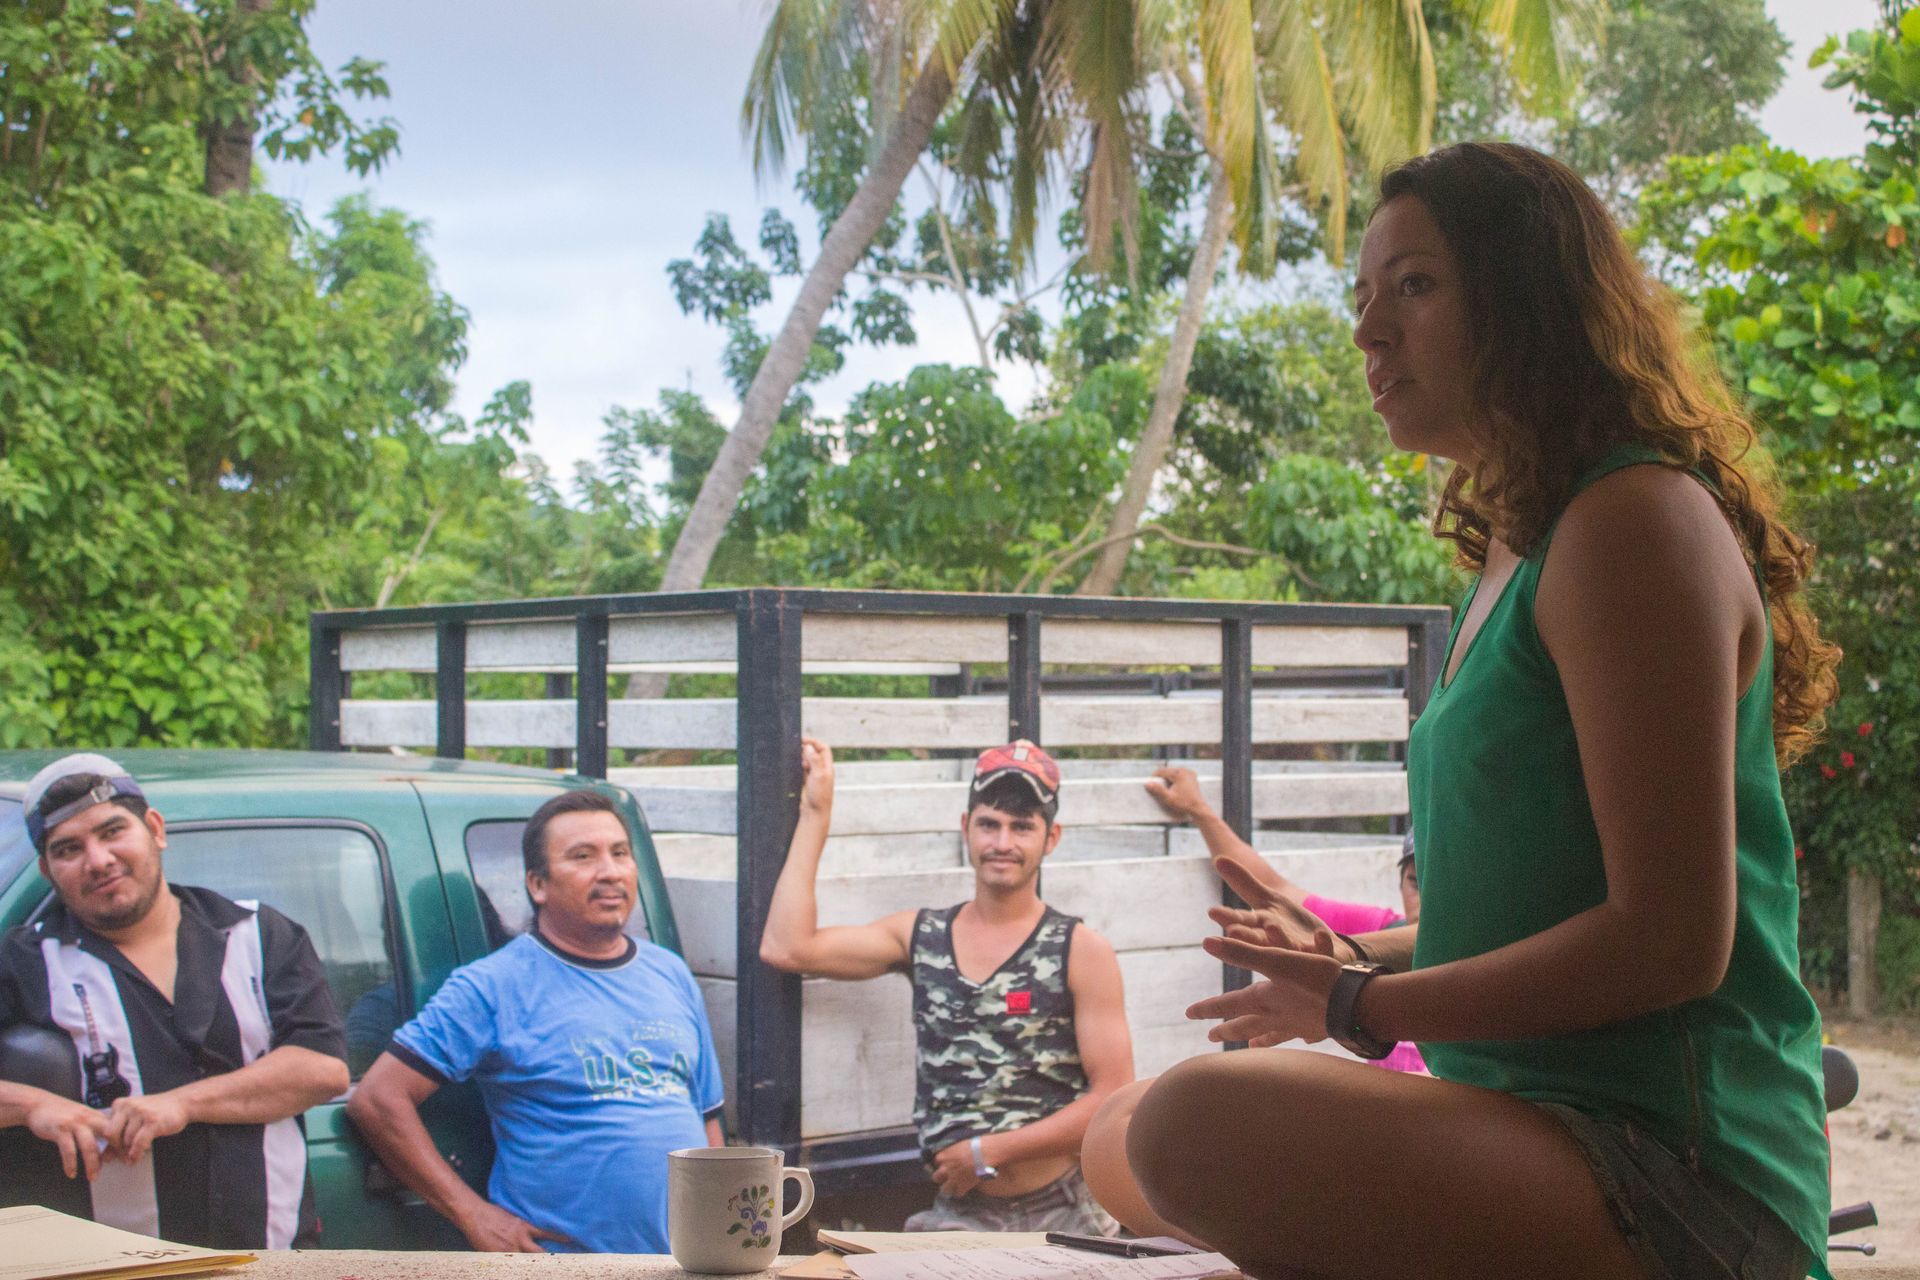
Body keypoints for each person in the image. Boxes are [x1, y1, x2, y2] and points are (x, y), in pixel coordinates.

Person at [1095, 142, 1840, 1280]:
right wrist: (1346, 957)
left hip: (1676, 1168)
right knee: (1114, 1139)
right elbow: (1531, 905)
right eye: (1363, 299)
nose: (1368, 333)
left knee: (1186, 1127)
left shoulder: (1632, 520)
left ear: (1531, 296)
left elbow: (1675, 939)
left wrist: (1365, 999)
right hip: (1531, 1122)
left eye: (1416, 285)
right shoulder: (1519, 546)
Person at [759, 738, 1133, 1234]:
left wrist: (988, 1151)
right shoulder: (921, 935)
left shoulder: (1080, 948)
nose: (1003, 842)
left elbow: (1114, 1099)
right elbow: (787, 947)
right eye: (989, 824)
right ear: (966, 828)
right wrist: (815, 813)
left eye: (1022, 827)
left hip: (1068, 1212)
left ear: (1052, 837)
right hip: (962, 1216)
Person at [348, 790, 724, 1254]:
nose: (609, 871)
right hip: (565, 1265)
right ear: (538, 885)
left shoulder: (670, 973)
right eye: (582, 856)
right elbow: (378, 1098)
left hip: (682, 1263)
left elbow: (706, 1121)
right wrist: (473, 1215)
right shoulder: (492, 986)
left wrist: (722, 1235)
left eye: (620, 853)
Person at [0, 754, 350, 1248]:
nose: (98, 860)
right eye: (69, 849)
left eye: (112, 831)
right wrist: (33, 1105)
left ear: (155, 829)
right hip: (109, 1266)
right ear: (48, 870)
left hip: (273, 1258)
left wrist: (181, 1104)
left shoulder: (258, 934)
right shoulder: (25, 962)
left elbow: (323, 1069)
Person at [1142, 765, 1425, 1074]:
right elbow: (1275, 890)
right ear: (1398, 883)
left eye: (1441, 883)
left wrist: (1341, 1002)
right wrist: (1199, 810)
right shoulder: (1380, 927)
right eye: (1415, 882)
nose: (1427, 899)